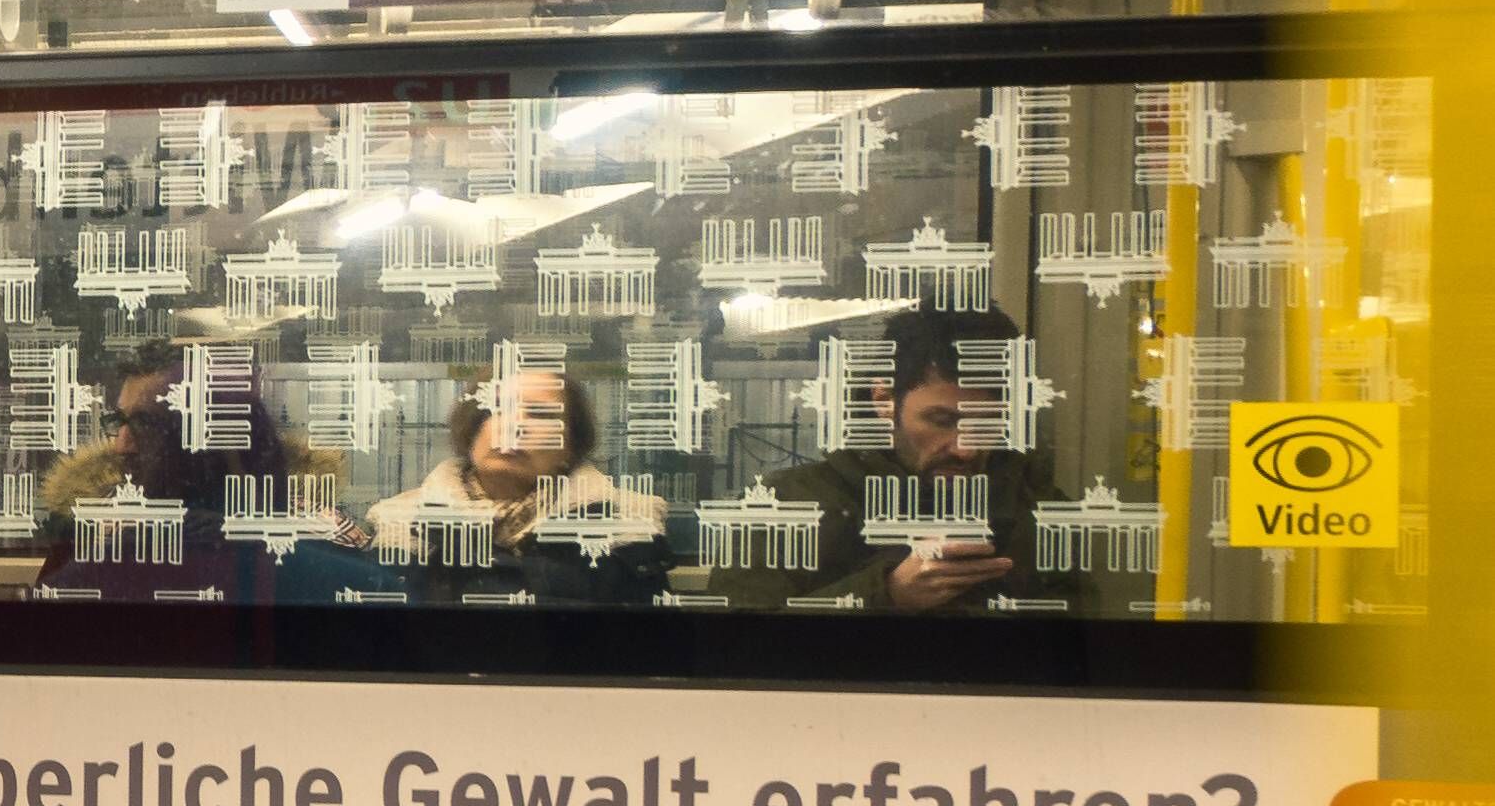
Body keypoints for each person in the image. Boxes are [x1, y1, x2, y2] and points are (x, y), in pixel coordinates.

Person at [737, 307, 1093, 614]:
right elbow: (736, 652)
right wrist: (888, 592)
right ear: (884, 401)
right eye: (942, 421)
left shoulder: (1036, 511)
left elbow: (1075, 656)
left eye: (987, 423)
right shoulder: (786, 506)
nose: (965, 449)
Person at [364, 362, 663, 603]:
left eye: (540, 413)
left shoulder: (627, 522)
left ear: (569, 448)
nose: (515, 425)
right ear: (472, 430)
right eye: (497, 409)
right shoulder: (402, 522)